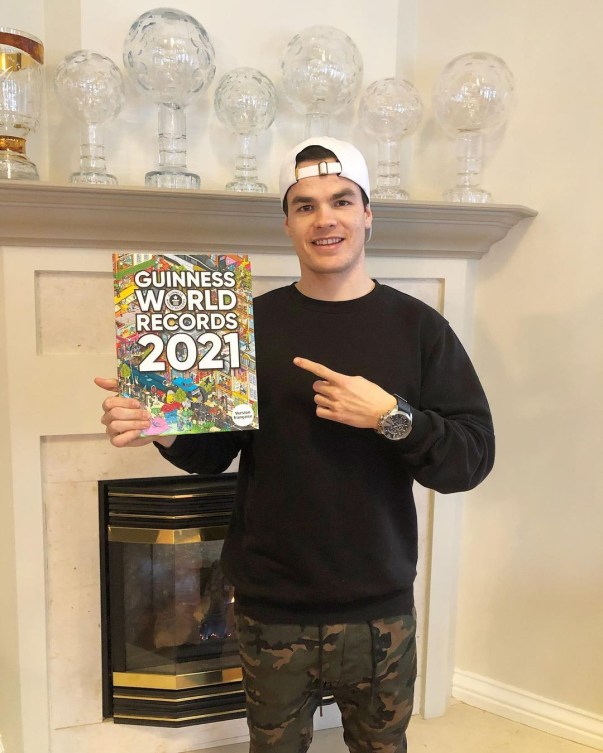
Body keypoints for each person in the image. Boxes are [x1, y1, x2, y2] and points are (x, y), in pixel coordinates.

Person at [96, 136, 495, 753]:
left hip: (378, 607)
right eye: (304, 205)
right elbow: (211, 455)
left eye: (340, 201)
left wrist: (390, 415)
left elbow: (470, 459)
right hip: (270, 604)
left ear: (367, 214)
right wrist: (161, 422)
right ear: (287, 223)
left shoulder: (418, 328)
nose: (324, 217)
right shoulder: (246, 325)